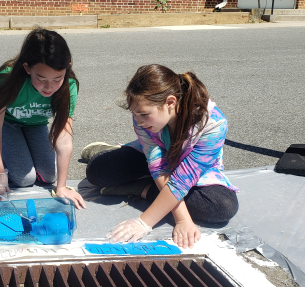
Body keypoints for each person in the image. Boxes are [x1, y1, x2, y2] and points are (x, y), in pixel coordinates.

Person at [84, 64, 239, 249]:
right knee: (96, 171)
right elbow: (158, 166)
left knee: (222, 207)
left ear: (171, 103)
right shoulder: (144, 118)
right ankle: (115, 152)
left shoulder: (213, 124)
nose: (139, 121)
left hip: (192, 170)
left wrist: (145, 222)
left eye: (144, 114)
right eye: (135, 114)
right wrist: (182, 218)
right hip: (154, 160)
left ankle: (142, 187)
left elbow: (183, 180)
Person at [0, 28, 86, 209]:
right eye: (41, 79)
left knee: (49, 176)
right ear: (27, 68)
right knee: (24, 179)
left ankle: (16, 147)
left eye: (58, 79)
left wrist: (62, 187)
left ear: (68, 67)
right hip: (6, 124)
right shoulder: (6, 79)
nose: (49, 87)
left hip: (36, 123)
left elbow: (64, 138)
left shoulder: (69, 85)